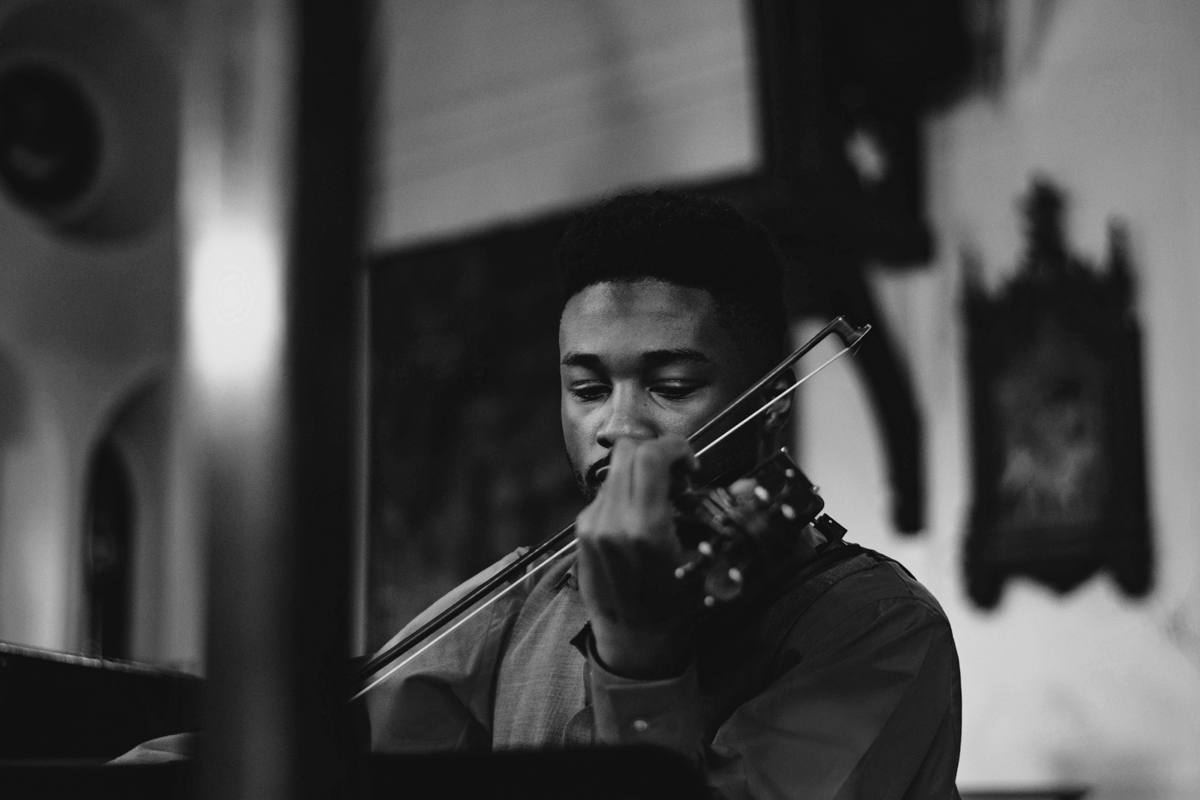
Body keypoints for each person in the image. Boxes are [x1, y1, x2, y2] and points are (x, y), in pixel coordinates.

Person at [366, 190, 962, 799]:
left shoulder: (879, 627)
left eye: (672, 387)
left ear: (774, 399)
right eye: (589, 389)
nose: (617, 427)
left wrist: (639, 658)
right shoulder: (526, 593)